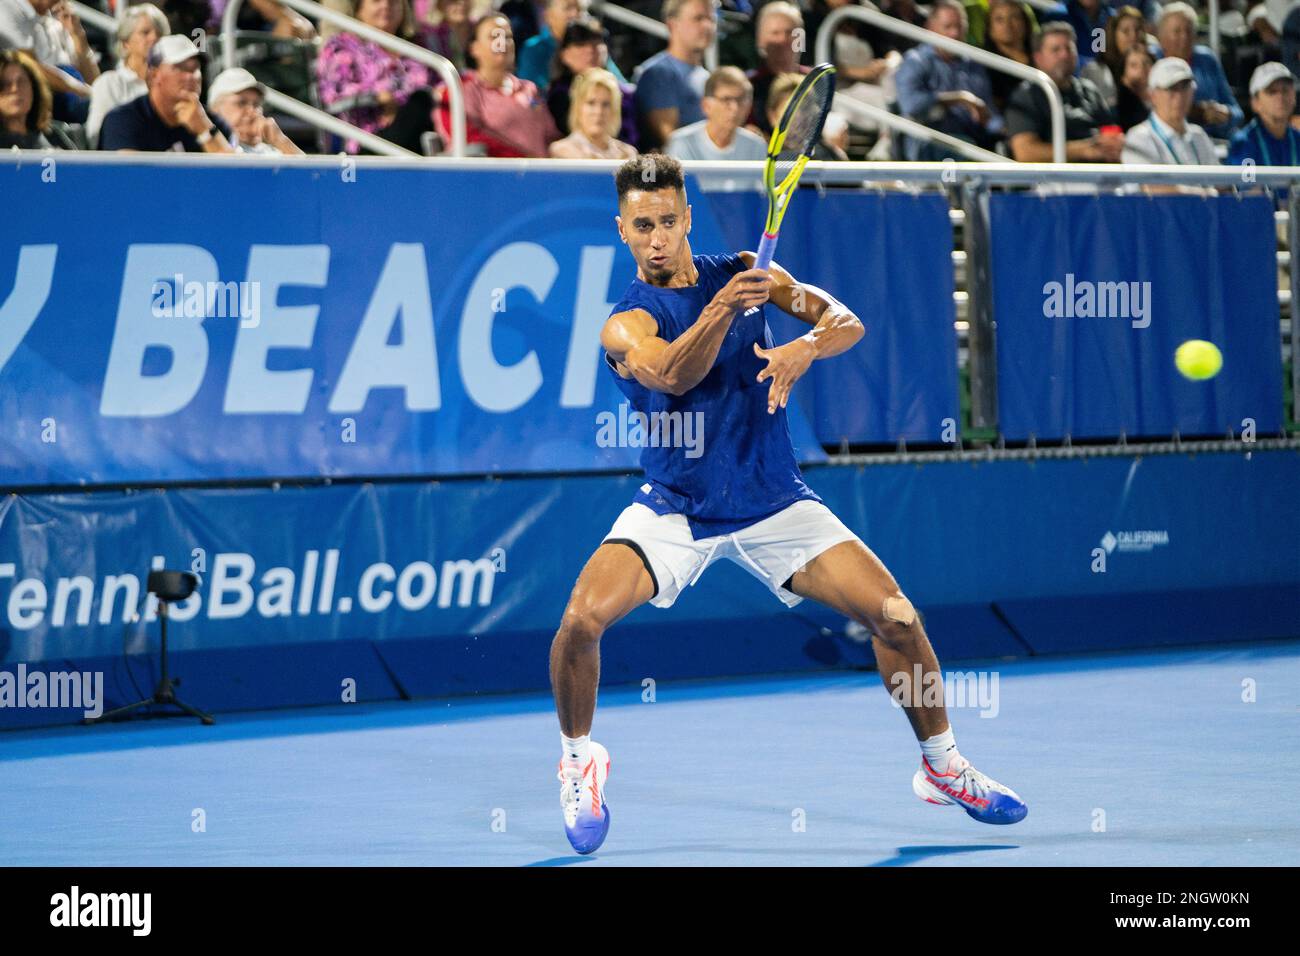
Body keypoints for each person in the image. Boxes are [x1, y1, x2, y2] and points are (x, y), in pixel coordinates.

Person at [551, 151, 1028, 855]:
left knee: (896, 617)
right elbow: (675, 377)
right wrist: (722, 306)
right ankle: (578, 759)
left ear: (687, 219)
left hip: (774, 500)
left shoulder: (749, 271)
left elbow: (845, 320)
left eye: (667, 222)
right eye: (641, 224)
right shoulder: (625, 324)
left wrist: (805, 345)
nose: (656, 237)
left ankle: (943, 766)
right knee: (581, 621)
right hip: (677, 507)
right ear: (623, 230)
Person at [316, 0, 436, 154]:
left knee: (426, 101)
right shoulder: (342, 46)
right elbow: (332, 93)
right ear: (359, 9)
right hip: (367, 137)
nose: (385, 5)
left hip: (416, 132)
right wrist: (379, 97)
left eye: (393, 2)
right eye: (376, 1)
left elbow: (436, 85)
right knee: (421, 100)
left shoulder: (415, 49)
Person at [434, 13, 560, 156]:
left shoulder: (529, 89)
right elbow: (466, 139)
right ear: (474, 48)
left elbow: (551, 135)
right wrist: (520, 159)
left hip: (542, 174)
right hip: (494, 175)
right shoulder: (458, 89)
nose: (502, 43)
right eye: (494, 37)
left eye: (507, 37)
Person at [895, 0, 1005, 160]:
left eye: (959, 27)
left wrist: (1005, 129)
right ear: (931, 28)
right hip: (931, 142)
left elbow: (988, 114)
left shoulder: (973, 65)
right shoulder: (915, 61)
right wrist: (957, 98)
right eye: (948, 27)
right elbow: (911, 105)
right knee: (964, 150)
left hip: (973, 140)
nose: (954, 34)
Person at [1005, 21, 1122, 161]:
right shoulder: (1026, 96)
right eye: (1056, 50)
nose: (1064, 55)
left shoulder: (1089, 90)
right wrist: (1083, 150)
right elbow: (1025, 153)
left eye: (1069, 48)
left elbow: (1111, 133)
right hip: (1053, 179)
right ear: (1038, 58)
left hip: (1103, 175)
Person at [98, 34, 233, 152]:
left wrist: (204, 132)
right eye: (180, 68)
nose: (192, 76)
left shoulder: (211, 122)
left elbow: (236, 175)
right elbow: (127, 176)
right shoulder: (123, 120)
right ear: (154, 75)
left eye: (195, 68)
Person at [633, 0, 715, 150]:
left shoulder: (707, 76)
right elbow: (672, 142)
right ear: (672, 24)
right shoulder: (658, 73)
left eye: (711, 19)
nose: (707, 26)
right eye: (698, 18)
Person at [1153, 2, 1244, 138]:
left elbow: (1237, 112)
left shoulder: (1206, 59)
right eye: (1177, 31)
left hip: (1217, 139)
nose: (1184, 37)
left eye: (1189, 30)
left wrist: (1225, 114)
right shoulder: (1152, 61)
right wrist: (1197, 114)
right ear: (1161, 37)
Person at [545, 17, 636, 146]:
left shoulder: (624, 94)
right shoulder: (559, 95)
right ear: (564, 55)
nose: (590, 50)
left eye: (597, 42)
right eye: (580, 44)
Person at [85, 3, 167, 147]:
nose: (154, 38)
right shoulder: (109, 83)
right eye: (145, 32)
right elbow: (96, 136)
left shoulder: (172, 82)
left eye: (159, 33)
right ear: (125, 43)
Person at [1121, 56, 1218, 163]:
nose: (1179, 96)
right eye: (1172, 89)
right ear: (1153, 95)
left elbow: (1219, 179)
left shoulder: (1199, 137)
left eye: (1185, 88)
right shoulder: (1139, 138)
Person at [667, 64, 768, 160]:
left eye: (740, 99)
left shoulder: (757, 146)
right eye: (726, 99)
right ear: (706, 105)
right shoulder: (682, 142)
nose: (734, 107)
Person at [745, 1, 810, 136]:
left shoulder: (816, 80)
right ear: (760, 40)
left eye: (790, 32)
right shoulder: (748, 85)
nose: (783, 40)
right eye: (775, 33)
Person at [207, 66, 304, 154]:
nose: (252, 111)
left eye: (256, 104)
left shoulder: (273, 152)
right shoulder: (203, 148)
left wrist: (280, 141)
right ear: (215, 110)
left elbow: (311, 172)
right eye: (241, 103)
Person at [549, 65, 636, 157]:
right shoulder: (561, 151)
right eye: (591, 103)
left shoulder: (628, 153)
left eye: (606, 104)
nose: (599, 112)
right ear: (578, 107)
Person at [1228, 61, 1300, 167]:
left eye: (1285, 90)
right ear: (1255, 102)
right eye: (1272, 91)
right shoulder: (1243, 142)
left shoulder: (1297, 138)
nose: (1280, 97)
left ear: (1294, 97)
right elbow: (1248, 181)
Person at [1080, 4, 1143, 108]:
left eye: (1137, 30)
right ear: (1113, 35)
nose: (1133, 36)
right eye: (1125, 31)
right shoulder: (1097, 71)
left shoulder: (1150, 63)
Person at [983, 0, 1035, 113]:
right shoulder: (983, 63)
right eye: (999, 19)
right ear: (990, 28)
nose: (1008, 24)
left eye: (1014, 17)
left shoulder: (1040, 53)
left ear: (1025, 22)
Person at [0, 47, 52, 147]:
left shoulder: (52, 137)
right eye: (5, 84)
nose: (15, 89)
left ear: (34, 88)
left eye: (21, 82)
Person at [1114, 43, 1154, 129]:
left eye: (1146, 63)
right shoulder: (1119, 108)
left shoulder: (1162, 98)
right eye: (1133, 65)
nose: (1141, 68)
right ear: (1123, 74)